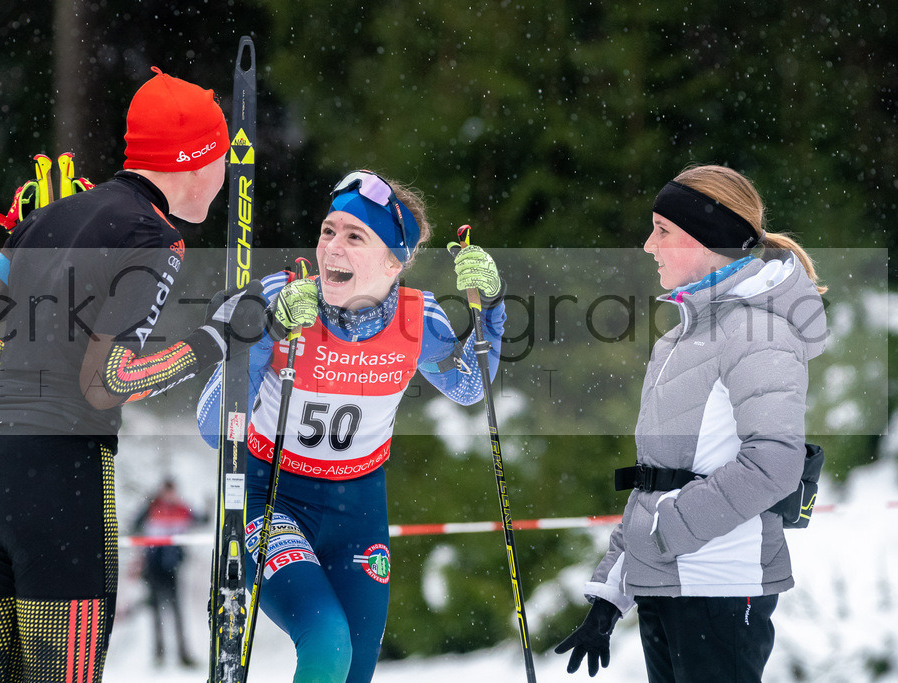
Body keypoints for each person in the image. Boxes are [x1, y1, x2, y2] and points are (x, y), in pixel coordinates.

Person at [0, 67, 267, 683]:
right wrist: (217, 337)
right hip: (58, 479)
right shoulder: (153, 235)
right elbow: (108, 381)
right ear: (194, 164)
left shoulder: (50, 218)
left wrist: (28, 374)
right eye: (223, 161)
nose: (227, 177)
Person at [197, 169, 507, 683]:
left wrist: (491, 307)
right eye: (327, 231)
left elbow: (471, 387)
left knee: (354, 672)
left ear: (395, 260)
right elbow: (213, 428)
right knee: (326, 641)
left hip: (359, 509)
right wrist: (264, 332)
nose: (331, 248)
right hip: (271, 496)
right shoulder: (281, 297)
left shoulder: (418, 319)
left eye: (354, 235)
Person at [554, 164, 828, 681]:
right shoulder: (680, 339)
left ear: (709, 238)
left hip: (722, 587)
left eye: (662, 230)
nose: (647, 245)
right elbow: (658, 480)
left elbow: (773, 464)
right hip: (670, 584)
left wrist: (661, 536)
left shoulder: (758, 331)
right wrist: (611, 594)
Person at [133, 479, 205, 668]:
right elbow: (135, 524)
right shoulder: (152, 507)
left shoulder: (181, 508)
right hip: (153, 567)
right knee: (156, 613)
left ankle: (183, 655)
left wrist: (209, 505)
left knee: (177, 613)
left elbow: (200, 519)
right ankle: (159, 655)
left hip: (172, 568)